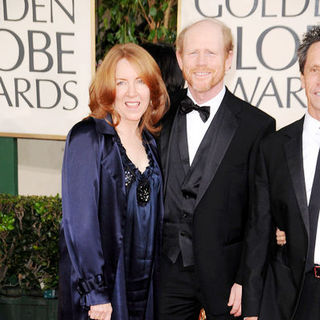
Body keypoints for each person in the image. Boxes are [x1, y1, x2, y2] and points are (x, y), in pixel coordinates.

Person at [157, 18, 275, 320]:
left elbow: (260, 215)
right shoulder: (158, 115)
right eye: (193, 53)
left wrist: (246, 279)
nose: (201, 62)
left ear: (228, 58)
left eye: (211, 52)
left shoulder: (257, 126)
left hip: (226, 277)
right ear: (180, 58)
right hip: (166, 274)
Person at [58, 43, 169, 320]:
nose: (132, 93)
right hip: (106, 288)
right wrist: (96, 293)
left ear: (153, 88)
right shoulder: (88, 137)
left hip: (145, 285)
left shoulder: (151, 143)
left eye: (140, 82)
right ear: (109, 88)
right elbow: (79, 222)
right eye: (121, 83)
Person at [243, 25, 320, 320]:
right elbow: (259, 228)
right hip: (288, 296)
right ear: (302, 78)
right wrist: (252, 308)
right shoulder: (273, 148)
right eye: (314, 69)